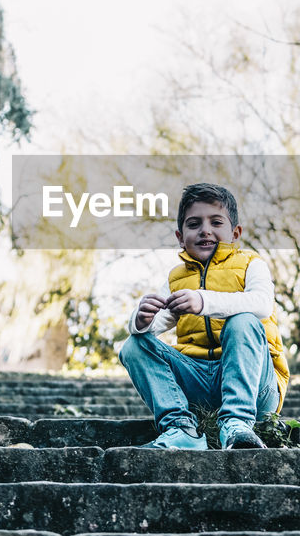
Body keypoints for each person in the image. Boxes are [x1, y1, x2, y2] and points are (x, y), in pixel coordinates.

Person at [118, 182, 289, 449]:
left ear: (235, 232)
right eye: (194, 224)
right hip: (197, 381)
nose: (205, 230)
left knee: (243, 320)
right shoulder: (176, 278)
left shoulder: (251, 264)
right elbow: (154, 326)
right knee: (134, 345)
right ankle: (180, 428)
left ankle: (237, 425)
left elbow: (262, 304)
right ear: (179, 235)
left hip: (255, 385)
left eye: (216, 222)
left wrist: (202, 300)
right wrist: (141, 320)